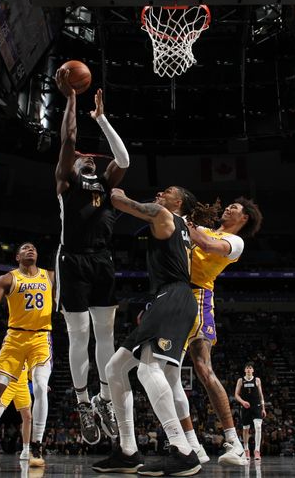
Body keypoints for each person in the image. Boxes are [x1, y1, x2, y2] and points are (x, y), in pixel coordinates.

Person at [92, 186, 201, 476]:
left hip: (174, 296)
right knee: (115, 368)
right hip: (166, 298)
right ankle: (128, 451)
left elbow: (119, 202)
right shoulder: (180, 228)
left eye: (167, 191)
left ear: (178, 201)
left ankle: (183, 450)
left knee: (147, 369)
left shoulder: (164, 214)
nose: (159, 193)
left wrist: (114, 189)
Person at [54, 68, 129, 444]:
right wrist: (71, 99)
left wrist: (101, 119)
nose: (85, 158)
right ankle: (83, 401)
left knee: (106, 335)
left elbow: (124, 159)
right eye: (80, 157)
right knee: (78, 334)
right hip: (73, 259)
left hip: (102, 259)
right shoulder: (66, 181)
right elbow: (68, 139)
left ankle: (103, 399)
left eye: (89, 158)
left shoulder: (105, 181)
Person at [176, 198, 262, 466]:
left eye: (235, 208)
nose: (229, 208)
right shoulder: (203, 228)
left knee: (203, 368)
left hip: (199, 296)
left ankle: (233, 441)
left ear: (245, 218)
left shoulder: (235, 242)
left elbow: (207, 245)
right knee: (166, 372)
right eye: (229, 205)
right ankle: (191, 444)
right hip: (174, 294)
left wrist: (182, 221)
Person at [0, 242, 54, 467]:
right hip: (14, 338)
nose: (30, 250)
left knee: (41, 386)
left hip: (40, 338)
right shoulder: (7, 279)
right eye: (25, 248)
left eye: (34, 248)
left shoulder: (50, 276)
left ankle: (36, 446)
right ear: (17, 256)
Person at [0, 361, 34, 461]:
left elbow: (32, 374)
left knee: (28, 417)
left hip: (22, 386)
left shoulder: (29, 352)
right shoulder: (9, 346)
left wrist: (41, 384)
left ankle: (25, 449)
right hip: (9, 384)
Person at [235, 363, 267, 461]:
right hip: (245, 406)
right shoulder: (241, 380)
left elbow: (261, 394)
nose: (249, 369)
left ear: (253, 370)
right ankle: (246, 450)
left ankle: (257, 451)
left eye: (250, 368)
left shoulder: (257, 380)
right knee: (245, 429)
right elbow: (236, 395)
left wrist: (263, 408)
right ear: (245, 370)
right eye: (247, 368)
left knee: (258, 427)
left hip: (256, 406)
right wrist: (242, 402)